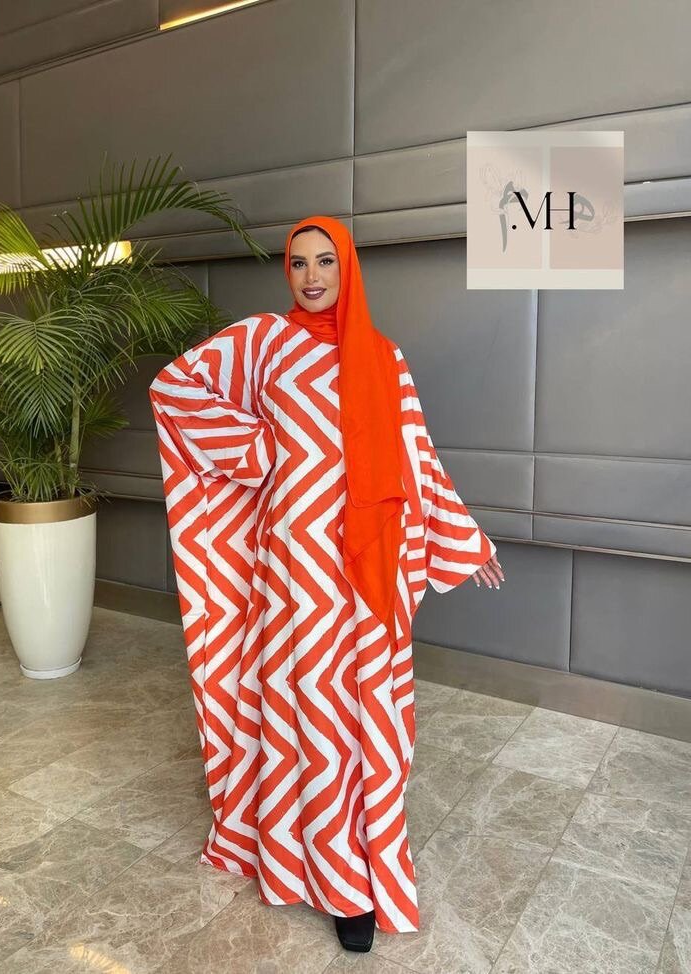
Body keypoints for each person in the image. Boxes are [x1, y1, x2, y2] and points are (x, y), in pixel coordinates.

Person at [149, 214, 505, 953]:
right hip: (292, 576)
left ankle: (357, 870)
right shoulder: (261, 344)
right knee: (300, 716)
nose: (311, 277)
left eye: (325, 262)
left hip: (362, 574)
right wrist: (254, 448)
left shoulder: (383, 356)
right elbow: (174, 389)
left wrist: (465, 541)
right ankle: (304, 865)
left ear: (347, 269)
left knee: (361, 723)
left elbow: (415, 459)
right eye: (299, 263)